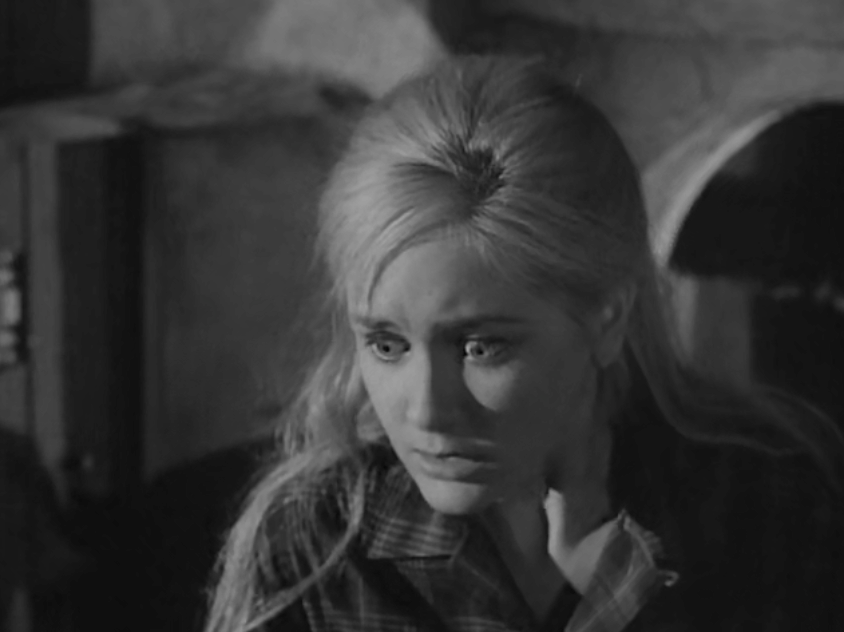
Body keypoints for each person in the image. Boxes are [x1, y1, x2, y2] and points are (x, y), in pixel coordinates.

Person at [204, 55, 844, 632]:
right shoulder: (318, 543)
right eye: (387, 345)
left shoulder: (766, 509)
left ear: (606, 317)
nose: (426, 411)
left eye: (480, 347)